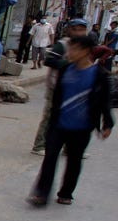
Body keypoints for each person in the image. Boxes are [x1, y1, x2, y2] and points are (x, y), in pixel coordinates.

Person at [27, 35, 113, 206]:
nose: (71, 52)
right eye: (70, 48)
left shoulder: (99, 75)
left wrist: (107, 123)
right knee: (50, 157)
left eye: (75, 49)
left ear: (86, 51)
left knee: (74, 160)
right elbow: (57, 95)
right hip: (59, 124)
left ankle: (66, 193)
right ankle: (41, 193)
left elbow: (105, 101)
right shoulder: (66, 69)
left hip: (82, 127)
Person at [31, 18, 88, 155]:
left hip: (77, 89)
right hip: (58, 87)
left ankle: (69, 148)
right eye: (75, 29)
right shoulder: (62, 45)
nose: (78, 32)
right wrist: (69, 62)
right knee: (51, 116)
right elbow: (50, 61)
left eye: (82, 29)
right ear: (69, 29)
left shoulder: (87, 45)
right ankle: (39, 145)